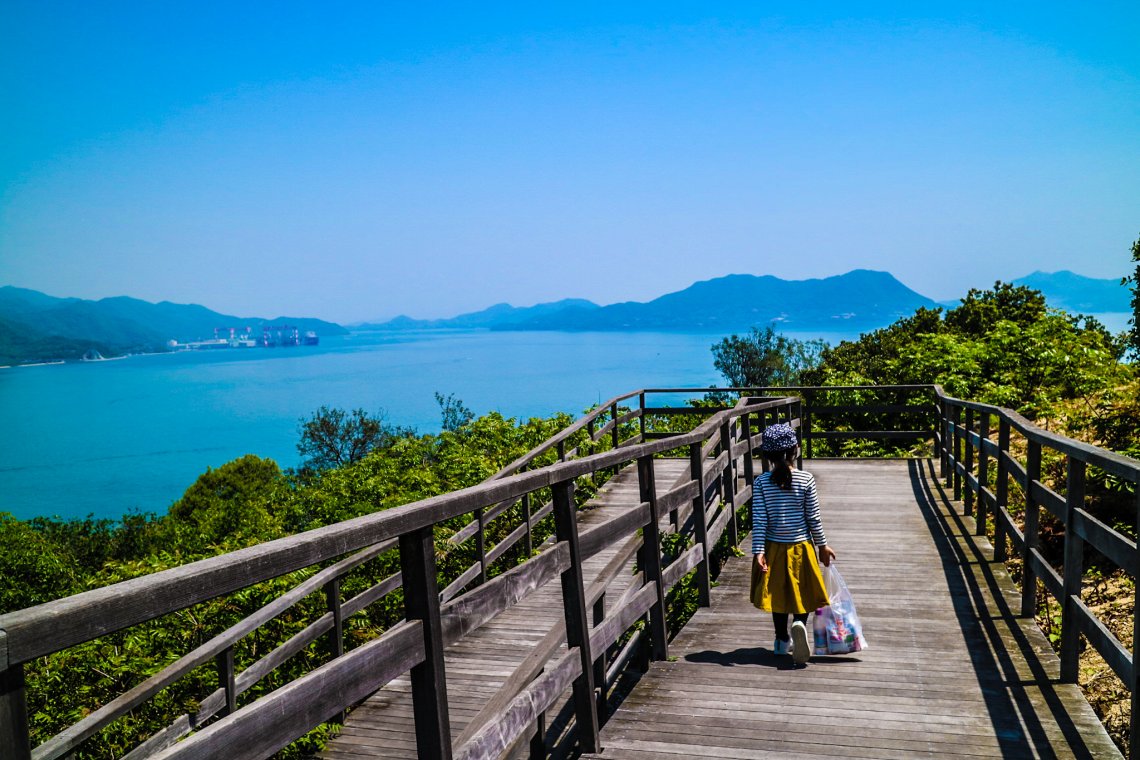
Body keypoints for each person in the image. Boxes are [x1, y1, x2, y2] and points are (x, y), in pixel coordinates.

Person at [750, 421, 836, 665]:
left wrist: (758, 552)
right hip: (801, 547)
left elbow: (760, 519)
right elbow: (813, 517)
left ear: (767, 455)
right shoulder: (805, 480)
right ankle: (800, 623)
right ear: (794, 450)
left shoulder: (762, 483)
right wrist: (822, 546)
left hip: (774, 548)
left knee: (778, 595)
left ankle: (780, 641)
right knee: (804, 592)